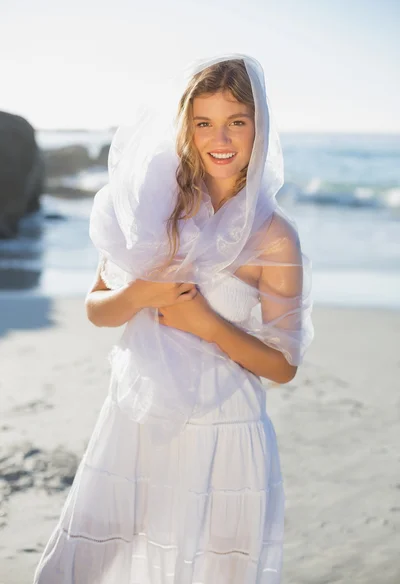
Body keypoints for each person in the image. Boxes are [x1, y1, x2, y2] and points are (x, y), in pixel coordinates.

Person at [33, 53, 313, 584]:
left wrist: (205, 323)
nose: (220, 138)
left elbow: (283, 367)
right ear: (186, 126)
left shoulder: (274, 235)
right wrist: (140, 292)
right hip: (135, 421)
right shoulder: (153, 207)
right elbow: (97, 310)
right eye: (203, 122)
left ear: (260, 127)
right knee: (79, 569)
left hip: (225, 434)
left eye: (237, 121)